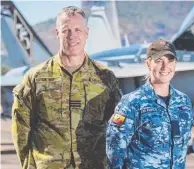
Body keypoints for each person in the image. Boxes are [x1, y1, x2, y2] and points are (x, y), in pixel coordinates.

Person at [12, 6, 121, 169]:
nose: (72, 36)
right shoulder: (35, 78)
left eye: (78, 29)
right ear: (57, 33)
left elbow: (118, 126)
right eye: (66, 30)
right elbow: (21, 129)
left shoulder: (105, 78)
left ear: (86, 32)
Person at [106, 39, 193, 169]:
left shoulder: (183, 102)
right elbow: (114, 151)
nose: (165, 66)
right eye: (159, 61)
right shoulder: (132, 103)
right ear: (148, 63)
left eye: (170, 60)